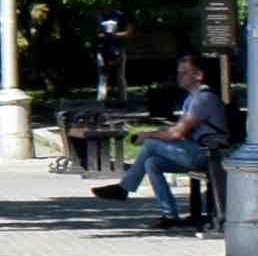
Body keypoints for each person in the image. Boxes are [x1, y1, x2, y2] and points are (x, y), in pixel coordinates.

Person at [100, 56, 234, 210]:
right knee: (152, 163)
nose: (179, 77)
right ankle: (169, 214)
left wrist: (147, 135)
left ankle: (123, 188)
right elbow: (179, 131)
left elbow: (176, 134)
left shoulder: (203, 99)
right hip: (199, 151)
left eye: (184, 73)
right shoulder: (193, 98)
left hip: (210, 154)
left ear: (198, 75)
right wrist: (156, 132)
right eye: (178, 73)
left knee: (151, 144)